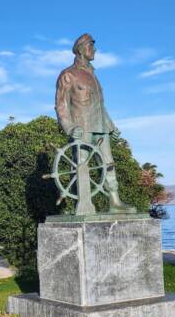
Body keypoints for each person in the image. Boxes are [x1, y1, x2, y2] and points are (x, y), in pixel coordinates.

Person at [55, 33, 133, 213]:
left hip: (100, 126)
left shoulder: (93, 75)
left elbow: (100, 104)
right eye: (91, 46)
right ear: (81, 49)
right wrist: (69, 127)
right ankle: (83, 205)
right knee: (81, 165)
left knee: (109, 163)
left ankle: (115, 201)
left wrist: (110, 125)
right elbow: (61, 105)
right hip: (81, 128)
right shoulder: (68, 75)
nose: (94, 49)